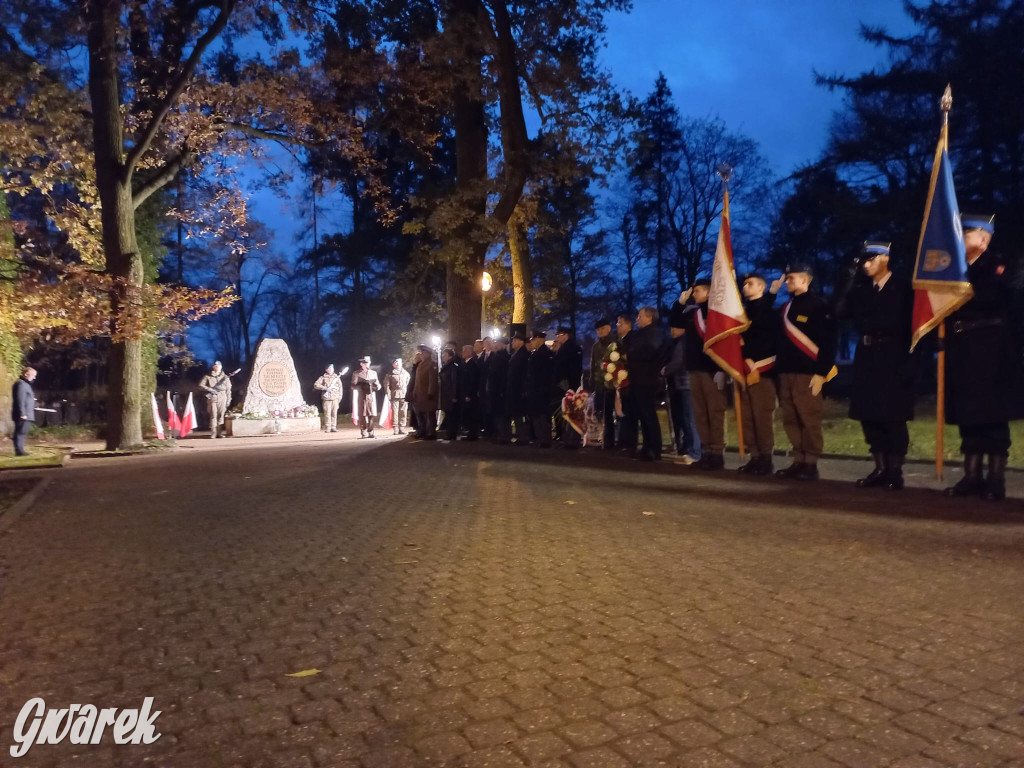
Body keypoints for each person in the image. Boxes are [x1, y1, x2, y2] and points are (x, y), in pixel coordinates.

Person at [943, 214, 1024, 501]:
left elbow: (995, 298)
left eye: (964, 234)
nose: (959, 239)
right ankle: (972, 475)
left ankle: (995, 479)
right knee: (968, 414)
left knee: (993, 415)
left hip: (992, 348)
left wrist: (960, 285)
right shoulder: (954, 269)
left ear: (982, 238)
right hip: (963, 347)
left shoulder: (999, 266)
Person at [837, 242, 915, 490]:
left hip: (894, 355)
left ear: (885, 259)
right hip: (867, 356)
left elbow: (914, 326)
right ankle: (880, 468)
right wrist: (848, 281)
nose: (865, 265)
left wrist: (911, 363)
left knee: (892, 416)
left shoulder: (903, 287)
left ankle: (895, 471)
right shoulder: (861, 290)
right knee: (868, 415)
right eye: (863, 261)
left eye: (871, 260)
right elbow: (838, 312)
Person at [774, 263, 837, 481]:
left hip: (807, 374)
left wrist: (821, 373)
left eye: (791, 278)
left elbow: (828, 343)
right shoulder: (785, 308)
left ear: (805, 280)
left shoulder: (819, 307)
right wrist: (771, 293)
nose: (787, 282)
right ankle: (798, 459)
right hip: (786, 372)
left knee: (808, 417)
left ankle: (811, 462)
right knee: (790, 419)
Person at [737, 272, 782, 475]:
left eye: (751, 283)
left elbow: (765, 340)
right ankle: (754, 456)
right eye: (744, 284)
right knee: (747, 417)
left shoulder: (769, 313)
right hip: (745, 370)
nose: (746, 287)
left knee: (761, 416)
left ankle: (766, 458)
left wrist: (771, 294)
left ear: (761, 288)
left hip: (763, 371)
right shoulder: (743, 313)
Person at [680, 279, 726, 469]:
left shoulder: (716, 312)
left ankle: (717, 452)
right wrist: (680, 303)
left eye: (697, 291)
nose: (694, 294)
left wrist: (721, 369)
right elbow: (676, 322)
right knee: (700, 413)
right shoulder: (694, 313)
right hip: (694, 369)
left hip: (711, 370)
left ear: (708, 292)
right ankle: (706, 452)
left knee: (714, 412)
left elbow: (724, 342)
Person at [663, 306, 699, 464]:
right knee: (684, 418)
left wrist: (665, 370)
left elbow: (678, 362)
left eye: (676, 327)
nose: (672, 330)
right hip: (679, 383)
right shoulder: (677, 342)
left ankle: (694, 450)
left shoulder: (684, 342)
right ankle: (687, 447)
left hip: (685, 383)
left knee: (689, 418)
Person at [629, 307, 664, 461]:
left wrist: (631, 353)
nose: (637, 319)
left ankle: (654, 448)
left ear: (649, 317)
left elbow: (649, 351)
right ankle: (646, 446)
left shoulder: (655, 334)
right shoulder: (641, 334)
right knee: (642, 415)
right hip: (637, 378)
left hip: (647, 379)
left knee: (649, 414)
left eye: (640, 316)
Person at [589, 318, 617, 450]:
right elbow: (593, 364)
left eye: (602, 329)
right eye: (598, 330)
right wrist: (591, 381)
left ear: (609, 329)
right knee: (599, 411)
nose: (600, 332)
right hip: (599, 383)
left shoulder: (614, 343)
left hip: (612, 383)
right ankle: (603, 438)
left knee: (611, 412)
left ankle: (611, 440)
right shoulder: (596, 346)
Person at [525, 330, 555, 447]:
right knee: (537, 415)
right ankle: (541, 438)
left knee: (542, 415)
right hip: (535, 390)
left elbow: (546, 374)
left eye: (533, 339)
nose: (531, 342)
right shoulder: (537, 353)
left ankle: (545, 439)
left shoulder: (544, 353)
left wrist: (541, 389)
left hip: (541, 391)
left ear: (539, 339)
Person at [615, 312, 638, 454]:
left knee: (629, 412)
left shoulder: (632, 338)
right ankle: (623, 441)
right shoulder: (620, 340)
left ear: (628, 325)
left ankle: (630, 444)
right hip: (621, 381)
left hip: (629, 381)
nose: (617, 326)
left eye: (620, 323)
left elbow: (629, 357)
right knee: (622, 412)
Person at [506, 332, 530, 444]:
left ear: (521, 342)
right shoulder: (516, 354)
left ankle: (523, 437)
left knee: (520, 414)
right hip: (514, 389)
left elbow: (523, 374)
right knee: (516, 414)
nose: (512, 343)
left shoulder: (524, 355)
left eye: (515, 341)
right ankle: (521, 436)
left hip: (519, 390)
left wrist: (523, 390)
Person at [199, 360, 232, 438]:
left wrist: (228, 400)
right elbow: (201, 385)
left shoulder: (225, 377)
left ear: (221, 367)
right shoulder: (208, 376)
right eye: (215, 365)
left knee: (221, 415)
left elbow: (228, 390)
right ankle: (213, 432)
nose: (217, 367)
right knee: (213, 415)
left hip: (223, 397)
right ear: (213, 367)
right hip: (213, 397)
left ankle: (219, 432)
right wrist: (209, 389)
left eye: (218, 365)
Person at [487, 336, 511, 443]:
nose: (496, 345)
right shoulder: (496, 356)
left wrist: (501, 390)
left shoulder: (504, 357)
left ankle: (503, 435)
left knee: (501, 414)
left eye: (498, 343)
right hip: (494, 389)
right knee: (497, 414)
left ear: (504, 345)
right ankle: (500, 434)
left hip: (499, 390)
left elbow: (503, 375)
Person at [411, 345, 438, 439]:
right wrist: (414, 391)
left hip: (428, 394)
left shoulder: (432, 364)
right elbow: (417, 381)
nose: (421, 354)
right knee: (423, 414)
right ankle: (424, 432)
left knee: (430, 414)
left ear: (427, 353)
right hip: (420, 394)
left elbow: (432, 380)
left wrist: (431, 392)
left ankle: (431, 433)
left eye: (422, 353)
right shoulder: (421, 364)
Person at [351, 356, 381, 438]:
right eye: (364, 363)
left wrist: (378, 386)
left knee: (371, 414)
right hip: (362, 395)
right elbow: (353, 385)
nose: (366, 364)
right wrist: (361, 386)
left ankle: (370, 431)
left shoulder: (373, 373)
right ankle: (363, 431)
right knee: (362, 414)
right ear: (361, 364)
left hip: (371, 395)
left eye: (367, 362)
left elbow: (378, 383)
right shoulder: (356, 373)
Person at [11, 366, 37, 456]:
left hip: (26, 414)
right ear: (26, 374)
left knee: (22, 432)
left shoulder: (24, 384)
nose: (34, 377)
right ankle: (19, 451)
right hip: (23, 414)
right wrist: (22, 413)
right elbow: (20, 399)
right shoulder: (22, 384)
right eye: (33, 375)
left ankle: (20, 450)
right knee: (20, 432)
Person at [383, 359, 411, 435]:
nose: (397, 364)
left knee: (403, 411)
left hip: (404, 394)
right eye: (395, 363)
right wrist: (388, 394)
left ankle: (402, 427)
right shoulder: (389, 374)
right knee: (395, 412)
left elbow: (408, 383)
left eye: (399, 363)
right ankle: (395, 427)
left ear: (402, 363)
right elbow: (386, 385)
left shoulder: (406, 374)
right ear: (393, 365)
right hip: (394, 394)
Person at [313, 364, 343, 433]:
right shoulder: (323, 377)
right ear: (326, 370)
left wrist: (340, 396)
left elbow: (340, 387)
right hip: (326, 398)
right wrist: (325, 388)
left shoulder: (337, 377)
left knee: (334, 413)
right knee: (327, 413)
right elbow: (316, 385)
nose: (330, 369)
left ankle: (333, 427)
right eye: (329, 368)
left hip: (335, 397)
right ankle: (328, 427)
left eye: (331, 368)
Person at [459, 345, 481, 441]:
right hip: (465, 393)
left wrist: (468, 394)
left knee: (472, 414)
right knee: (468, 414)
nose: (462, 352)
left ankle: (473, 434)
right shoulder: (465, 364)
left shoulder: (472, 365)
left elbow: (472, 381)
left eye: (464, 351)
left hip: (470, 395)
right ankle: (470, 433)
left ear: (469, 352)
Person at [438, 347, 461, 441]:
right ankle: (449, 433)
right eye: (442, 355)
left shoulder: (452, 366)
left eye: (445, 355)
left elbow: (454, 381)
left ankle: (451, 433)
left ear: (450, 356)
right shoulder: (446, 366)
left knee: (451, 415)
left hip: (450, 394)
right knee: (448, 413)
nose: (443, 356)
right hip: (446, 394)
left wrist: (454, 395)